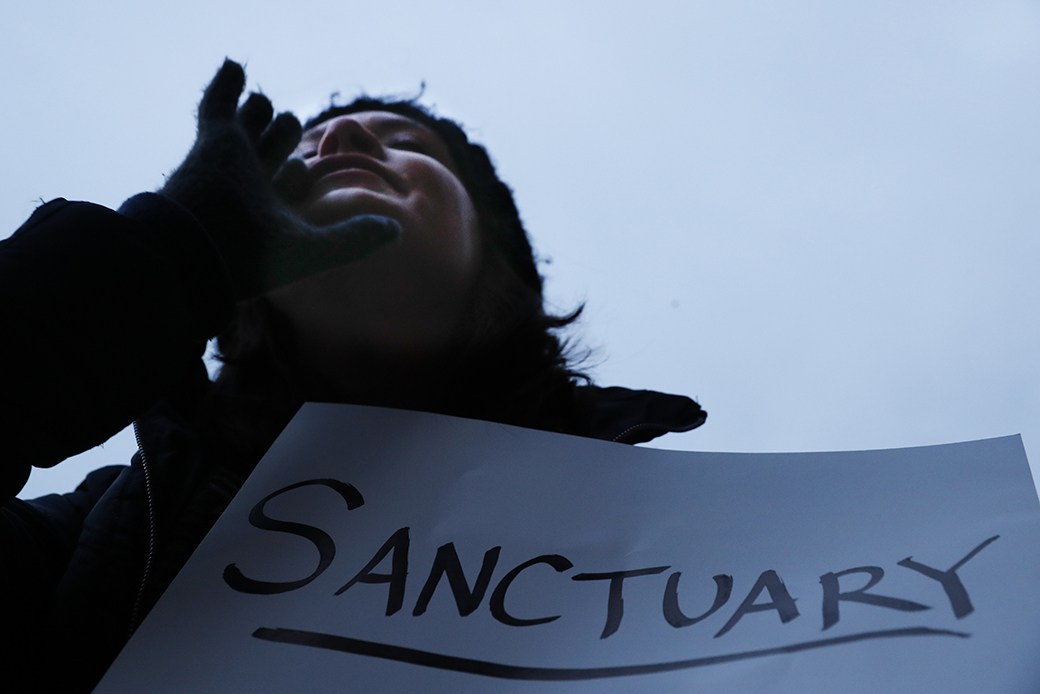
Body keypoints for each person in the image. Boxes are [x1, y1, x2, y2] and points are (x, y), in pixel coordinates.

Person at [0, 60, 705, 692]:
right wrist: (166, 253)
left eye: (407, 143)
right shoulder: (103, 531)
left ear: (497, 256)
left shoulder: (673, 544)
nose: (340, 143)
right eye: (302, 153)